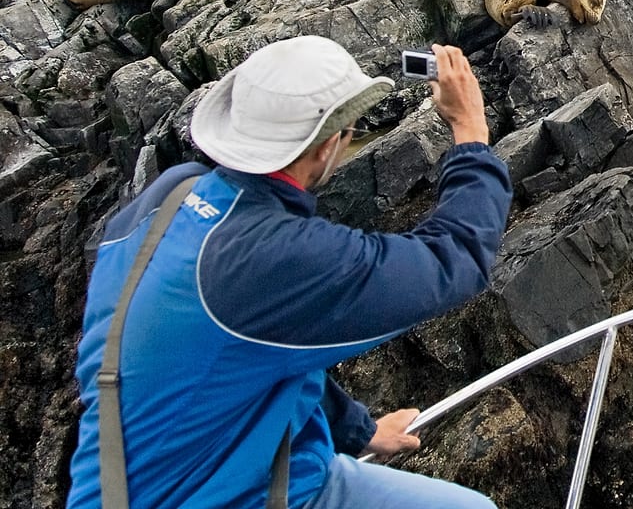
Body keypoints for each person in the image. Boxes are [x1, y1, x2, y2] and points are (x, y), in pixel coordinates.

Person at [66, 37, 511, 509]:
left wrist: (359, 431)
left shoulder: (171, 195)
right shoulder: (270, 257)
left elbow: (253, 350)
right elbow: (454, 260)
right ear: (323, 149)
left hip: (163, 477)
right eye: (351, 130)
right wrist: (470, 130)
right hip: (232, 494)